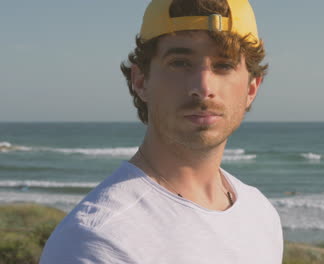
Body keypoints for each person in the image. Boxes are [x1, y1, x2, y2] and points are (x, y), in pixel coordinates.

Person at [40, 0, 283, 263]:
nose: (202, 87)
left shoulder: (260, 213)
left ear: (251, 89)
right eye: (180, 63)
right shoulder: (98, 241)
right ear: (141, 81)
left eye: (224, 65)